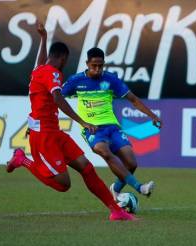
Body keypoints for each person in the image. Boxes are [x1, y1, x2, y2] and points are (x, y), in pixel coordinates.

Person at [6, 23, 134, 221]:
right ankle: (22, 160)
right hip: (44, 136)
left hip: (54, 132)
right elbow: (58, 99)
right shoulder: (54, 73)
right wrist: (83, 122)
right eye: (66, 60)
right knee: (63, 184)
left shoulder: (39, 70)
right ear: (63, 58)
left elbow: (40, 62)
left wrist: (43, 38)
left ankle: (116, 211)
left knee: (86, 167)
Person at [60, 47, 162, 201]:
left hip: (112, 127)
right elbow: (56, 98)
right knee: (104, 151)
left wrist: (152, 116)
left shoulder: (110, 79)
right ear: (87, 63)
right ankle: (140, 187)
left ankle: (115, 190)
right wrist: (82, 122)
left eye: (101, 66)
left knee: (131, 163)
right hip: (92, 128)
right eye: (94, 65)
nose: (97, 69)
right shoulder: (76, 81)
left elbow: (133, 99)